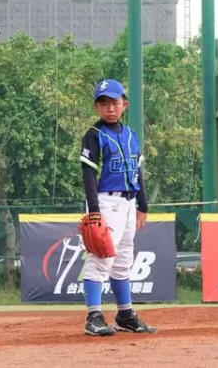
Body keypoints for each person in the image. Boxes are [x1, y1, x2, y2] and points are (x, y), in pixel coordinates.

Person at [78, 78, 156, 336]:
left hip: (129, 203)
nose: (109, 108)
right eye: (103, 103)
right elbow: (88, 174)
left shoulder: (132, 135)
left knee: (123, 259)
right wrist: (94, 211)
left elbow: (138, 172)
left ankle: (125, 314)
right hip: (105, 202)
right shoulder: (94, 134)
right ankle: (94, 316)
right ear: (96, 108)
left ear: (125, 104)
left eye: (114, 102)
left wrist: (143, 205)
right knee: (101, 257)